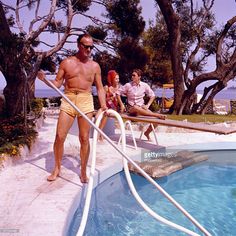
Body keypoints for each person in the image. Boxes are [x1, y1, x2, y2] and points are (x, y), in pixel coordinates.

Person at [37, 33, 107, 183]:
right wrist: (44, 80)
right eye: (86, 46)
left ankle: (82, 171)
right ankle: (57, 168)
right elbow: (57, 83)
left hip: (85, 100)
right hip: (68, 99)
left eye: (91, 47)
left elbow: (100, 88)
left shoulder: (95, 66)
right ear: (78, 45)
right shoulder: (66, 63)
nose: (89, 49)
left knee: (84, 138)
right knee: (59, 136)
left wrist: (103, 105)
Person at [118, 68, 166, 140]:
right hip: (131, 109)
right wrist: (121, 104)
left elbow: (152, 95)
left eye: (134, 75)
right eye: (132, 75)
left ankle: (147, 133)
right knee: (136, 107)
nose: (132, 77)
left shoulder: (144, 85)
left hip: (142, 108)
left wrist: (148, 105)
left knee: (156, 121)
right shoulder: (128, 85)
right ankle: (156, 114)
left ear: (139, 77)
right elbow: (118, 93)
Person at [97, 70, 125, 141]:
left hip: (114, 108)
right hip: (106, 106)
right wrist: (110, 98)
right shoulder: (106, 88)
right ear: (111, 79)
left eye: (118, 78)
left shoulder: (120, 87)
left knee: (107, 113)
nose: (117, 80)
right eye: (116, 79)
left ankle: (99, 133)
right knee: (98, 116)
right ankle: (99, 132)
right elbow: (102, 99)